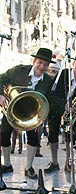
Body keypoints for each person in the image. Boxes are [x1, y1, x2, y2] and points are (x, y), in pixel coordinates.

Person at [0, 47, 56, 179]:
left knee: (33, 137)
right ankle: (7, 164)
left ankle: (28, 167)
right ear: (34, 61)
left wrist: (41, 118)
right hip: (14, 108)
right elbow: (1, 78)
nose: (42, 67)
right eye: (40, 63)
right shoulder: (19, 70)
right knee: (3, 132)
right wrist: (1, 95)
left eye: (45, 64)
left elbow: (47, 100)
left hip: (32, 113)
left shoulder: (48, 80)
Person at [44, 52, 76, 173]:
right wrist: (63, 105)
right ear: (73, 64)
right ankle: (54, 162)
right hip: (56, 109)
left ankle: (68, 162)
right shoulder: (62, 74)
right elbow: (51, 94)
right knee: (53, 135)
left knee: (70, 135)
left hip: (72, 113)